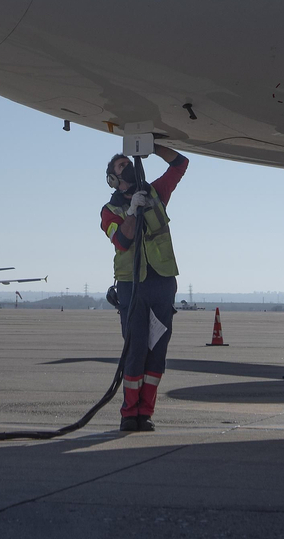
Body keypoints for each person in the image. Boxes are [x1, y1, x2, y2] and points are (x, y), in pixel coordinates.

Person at [100, 142, 188, 432]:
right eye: (122, 166)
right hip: (132, 286)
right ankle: (129, 413)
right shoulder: (110, 210)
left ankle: (146, 412)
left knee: (157, 350)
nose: (129, 167)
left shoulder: (156, 192)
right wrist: (133, 212)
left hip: (162, 282)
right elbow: (122, 242)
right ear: (114, 179)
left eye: (129, 162)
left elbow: (180, 165)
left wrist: (155, 147)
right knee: (136, 350)